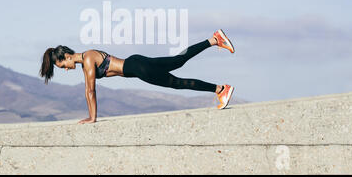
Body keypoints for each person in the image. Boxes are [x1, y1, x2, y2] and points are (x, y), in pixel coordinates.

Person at [40, 29, 235, 124]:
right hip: (137, 65)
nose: (65, 69)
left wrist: (92, 118)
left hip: (137, 67)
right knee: (177, 62)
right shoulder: (86, 62)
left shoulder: (88, 59)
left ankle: (220, 87)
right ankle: (214, 42)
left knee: (176, 80)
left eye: (62, 65)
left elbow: (90, 91)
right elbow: (88, 89)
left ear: (66, 56)